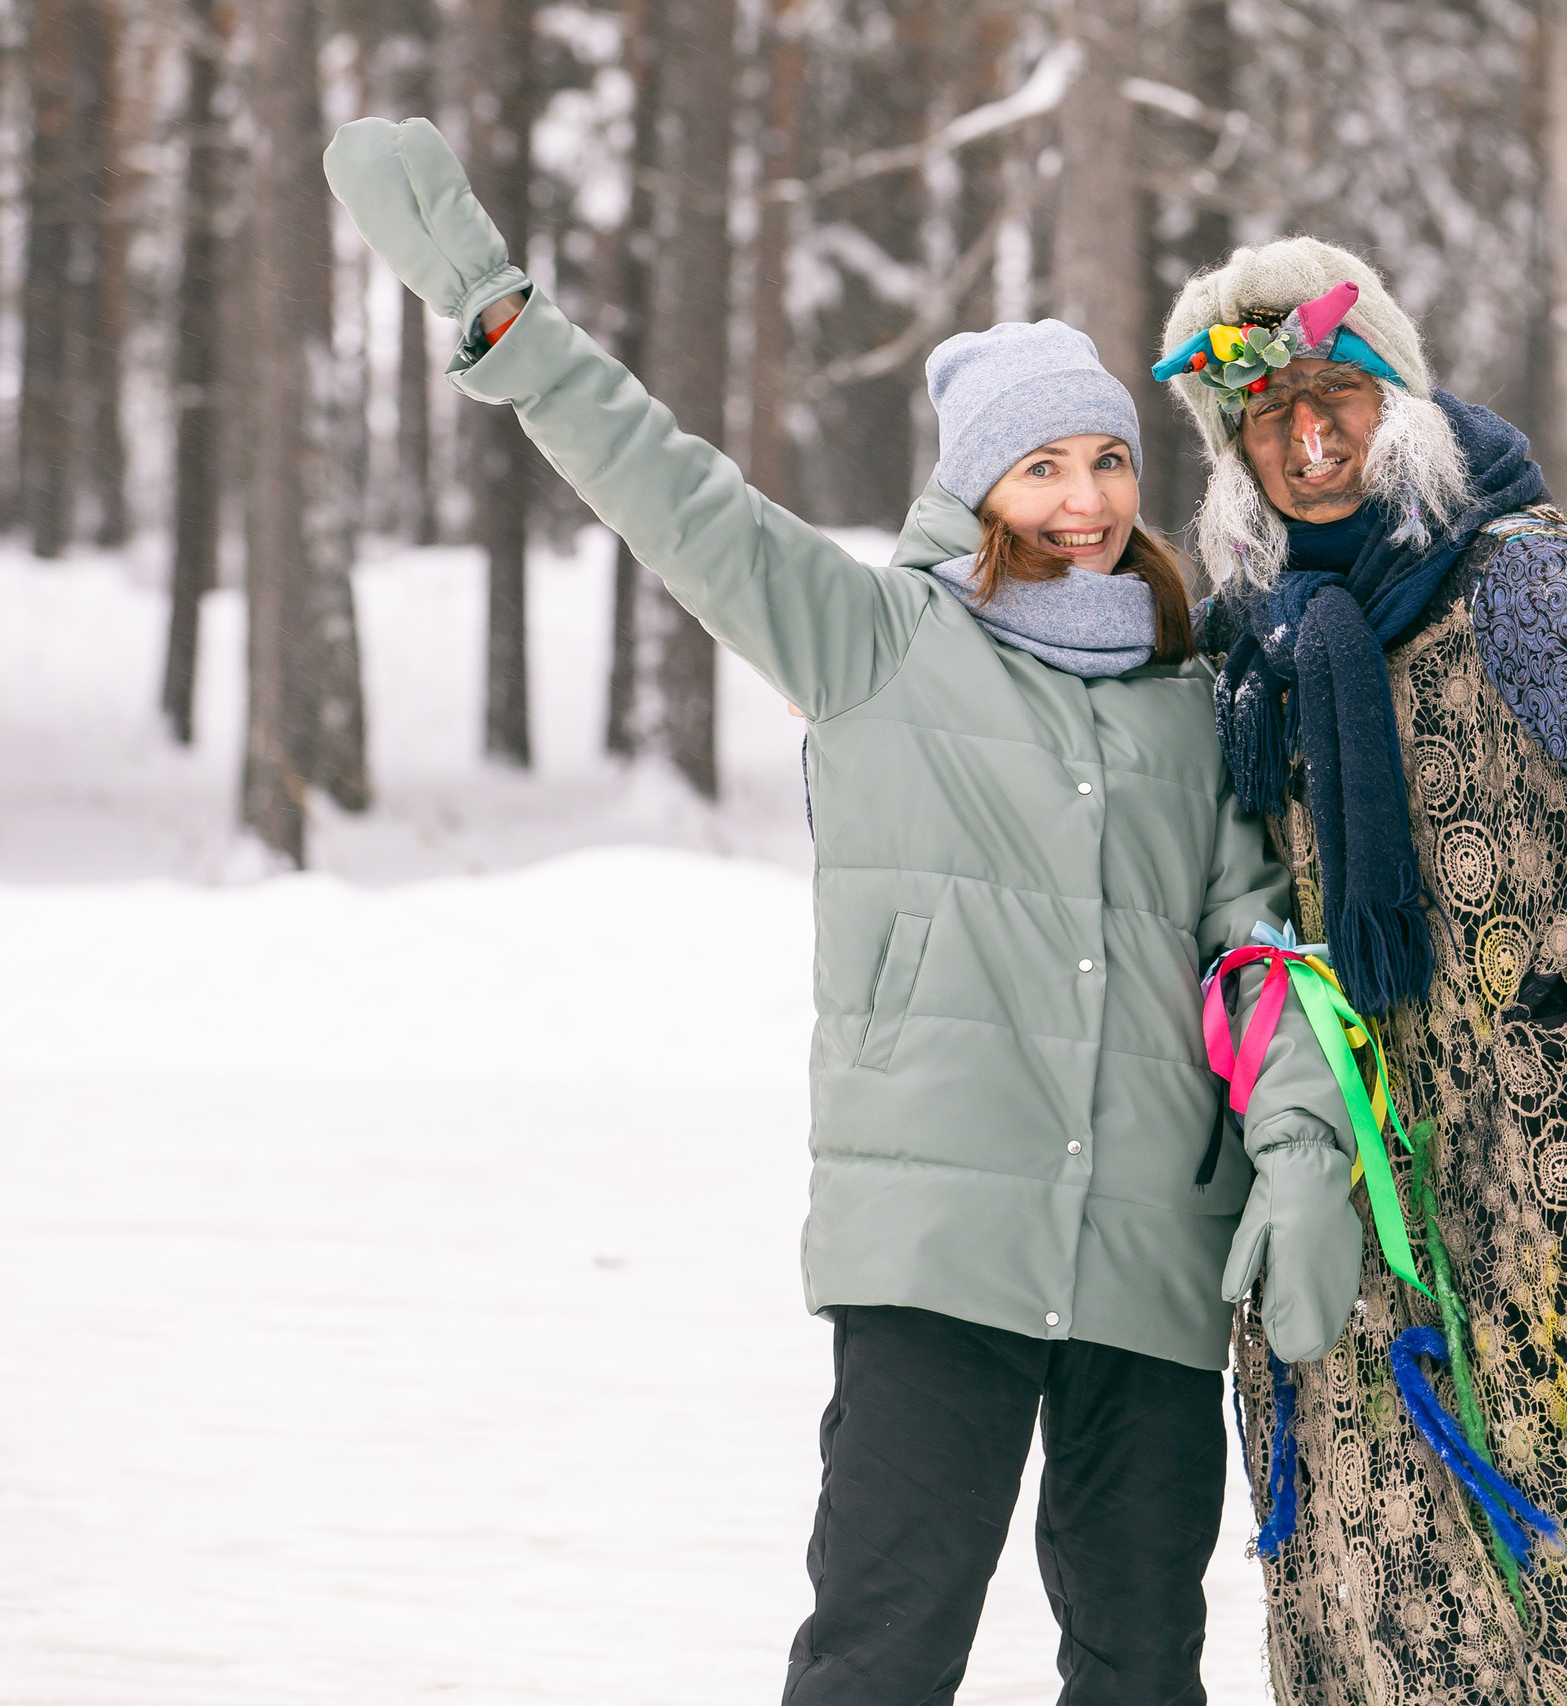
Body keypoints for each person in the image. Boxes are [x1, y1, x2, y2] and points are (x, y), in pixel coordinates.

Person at [323, 118, 1365, 1706]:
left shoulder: (1184, 688)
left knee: (1146, 1668)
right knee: (883, 1651)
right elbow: (679, 497)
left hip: (1154, 1249)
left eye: (1104, 461)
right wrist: (506, 326)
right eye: (1042, 466)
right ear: (977, 486)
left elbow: (1256, 947)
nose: (1084, 499)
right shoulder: (878, 642)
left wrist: (1297, 1145)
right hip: (940, 1247)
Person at [1155, 236, 1567, 1701]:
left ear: (1397, 400)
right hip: (1369, 1186)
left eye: (1335, 399)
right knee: (1404, 1577)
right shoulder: (1251, 649)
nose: (1308, 442)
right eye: (1267, 417)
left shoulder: (1518, 584)